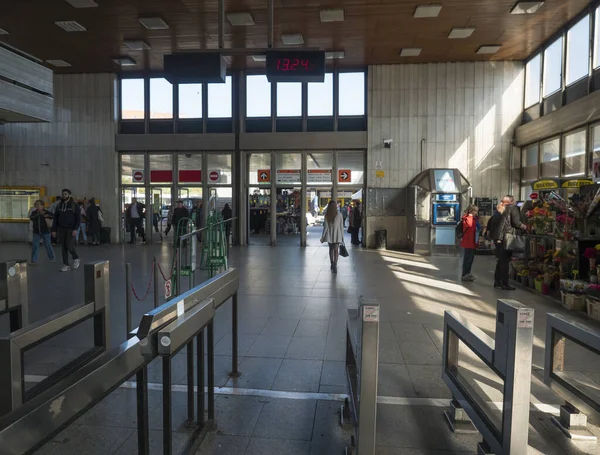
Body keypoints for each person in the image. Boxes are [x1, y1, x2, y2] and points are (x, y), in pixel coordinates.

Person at [496, 195, 528, 290]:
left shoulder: (500, 208)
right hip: (508, 237)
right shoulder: (513, 208)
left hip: (500, 237)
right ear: (512, 201)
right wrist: (524, 226)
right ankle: (505, 284)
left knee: (501, 260)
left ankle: (497, 282)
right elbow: (516, 222)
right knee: (505, 261)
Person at [51, 189, 81, 272]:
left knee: (69, 244)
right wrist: (54, 230)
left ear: (69, 195)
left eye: (65, 194)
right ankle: (66, 265)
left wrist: (75, 229)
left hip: (71, 229)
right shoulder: (59, 205)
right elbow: (55, 218)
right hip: (61, 229)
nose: (64, 195)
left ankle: (76, 258)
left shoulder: (74, 205)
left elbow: (78, 218)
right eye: (63, 194)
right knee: (63, 247)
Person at [321, 200, 345, 273]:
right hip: (337, 234)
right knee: (335, 250)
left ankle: (332, 263)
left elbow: (326, 227)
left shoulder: (327, 215)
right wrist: (342, 237)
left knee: (331, 249)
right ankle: (335, 264)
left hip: (330, 235)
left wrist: (322, 237)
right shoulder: (339, 215)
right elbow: (341, 227)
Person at [29, 200, 55, 265]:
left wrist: (45, 215)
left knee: (48, 245)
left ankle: (52, 258)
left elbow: (53, 216)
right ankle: (33, 261)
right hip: (36, 232)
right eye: (36, 204)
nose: (37, 206)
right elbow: (31, 218)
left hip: (46, 232)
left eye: (38, 204)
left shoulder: (47, 212)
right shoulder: (34, 212)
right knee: (35, 246)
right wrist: (38, 214)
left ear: (42, 205)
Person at [460, 205, 479, 282]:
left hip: (473, 241)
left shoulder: (474, 218)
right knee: (467, 259)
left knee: (471, 259)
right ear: (471, 211)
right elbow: (469, 225)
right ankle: (465, 274)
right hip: (468, 242)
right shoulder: (467, 218)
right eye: (475, 211)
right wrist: (470, 216)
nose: (476, 213)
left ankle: (468, 273)